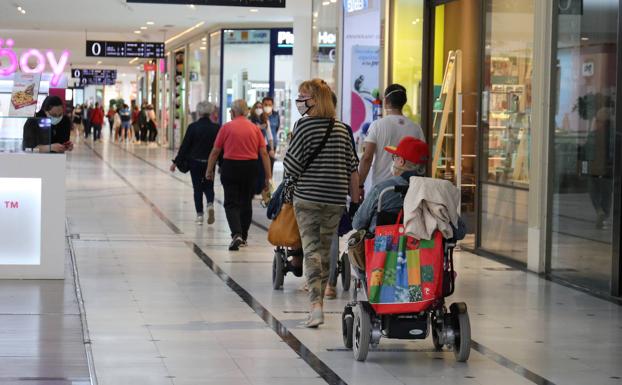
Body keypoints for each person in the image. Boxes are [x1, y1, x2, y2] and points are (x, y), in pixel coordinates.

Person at [283, 79, 360, 328]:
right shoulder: (340, 129)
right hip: (335, 200)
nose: (299, 101)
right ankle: (322, 299)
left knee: (311, 250)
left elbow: (291, 166)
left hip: (307, 199)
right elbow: (352, 167)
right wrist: (355, 200)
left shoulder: (303, 128)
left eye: (302, 96)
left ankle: (316, 306)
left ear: (315, 100)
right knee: (326, 252)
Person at [206, 100, 272, 251]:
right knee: (245, 202)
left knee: (231, 202)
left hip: (230, 167)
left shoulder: (226, 127)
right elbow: (263, 153)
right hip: (250, 168)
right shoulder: (255, 129)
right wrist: (268, 177)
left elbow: (215, 151)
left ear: (233, 112)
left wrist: (209, 170)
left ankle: (236, 234)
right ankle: (244, 236)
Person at [353, 136, 428, 233]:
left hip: (382, 245)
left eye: (394, 157)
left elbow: (358, 223)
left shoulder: (382, 189)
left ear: (401, 161)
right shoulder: (430, 190)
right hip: (418, 244)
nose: (393, 161)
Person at [359, 84, 425, 191]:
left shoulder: (377, 125)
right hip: (408, 190)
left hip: (381, 190)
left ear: (386, 101)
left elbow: (367, 157)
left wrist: (359, 185)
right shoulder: (416, 128)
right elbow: (422, 160)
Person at [171, 101, 220, 225]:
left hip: (195, 163)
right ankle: (210, 204)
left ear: (199, 112)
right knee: (209, 186)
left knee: (197, 188)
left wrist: (176, 162)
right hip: (210, 163)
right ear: (210, 112)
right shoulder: (216, 128)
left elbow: (185, 146)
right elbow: (220, 148)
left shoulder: (193, 127)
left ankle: (199, 215)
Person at [250, 101, 275, 194]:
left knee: (263, 170)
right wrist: (259, 127)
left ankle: (262, 190)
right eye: (257, 107)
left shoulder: (265, 120)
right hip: (252, 148)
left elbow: (270, 136)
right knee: (254, 170)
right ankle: (254, 190)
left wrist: (272, 148)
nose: (259, 109)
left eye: (260, 107)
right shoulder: (250, 120)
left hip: (263, 147)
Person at [262, 96, 280, 165]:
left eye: (270, 105)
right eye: (265, 104)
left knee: (271, 165)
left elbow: (277, 128)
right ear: (262, 105)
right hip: (262, 145)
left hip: (273, 145)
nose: (267, 106)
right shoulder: (260, 116)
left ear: (272, 105)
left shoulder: (276, 115)